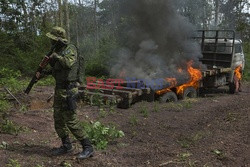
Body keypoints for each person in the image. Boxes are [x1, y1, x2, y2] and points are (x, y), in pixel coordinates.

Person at [37, 26, 94, 159]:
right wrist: (43, 72)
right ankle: (66, 145)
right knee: (58, 119)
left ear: (59, 40)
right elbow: (57, 70)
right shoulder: (57, 50)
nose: (51, 42)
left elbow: (68, 64)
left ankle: (88, 147)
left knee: (71, 120)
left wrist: (56, 56)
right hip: (59, 89)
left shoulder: (70, 49)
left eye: (53, 39)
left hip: (69, 90)